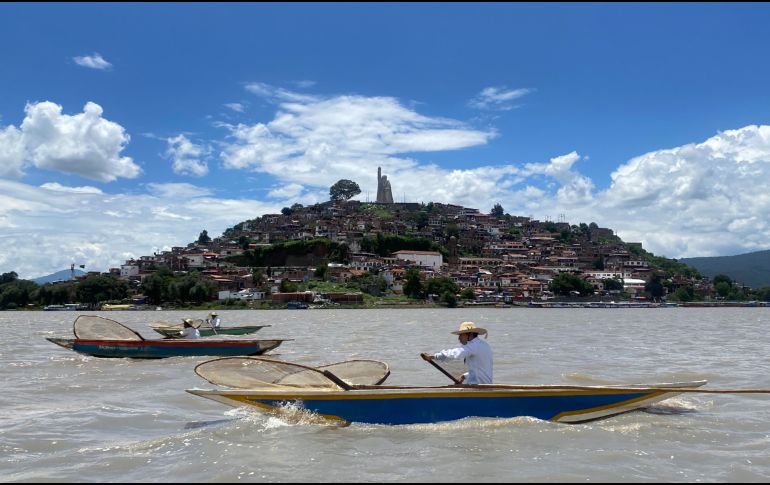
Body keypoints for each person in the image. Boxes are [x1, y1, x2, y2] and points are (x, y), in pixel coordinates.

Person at [421, 321, 492, 384]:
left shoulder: (473, 346)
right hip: (485, 385)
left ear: (469, 334)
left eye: (461, 335)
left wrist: (433, 356)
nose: (459, 338)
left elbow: (455, 353)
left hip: (478, 388)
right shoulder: (484, 345)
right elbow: (480, 369)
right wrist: (464, 376)